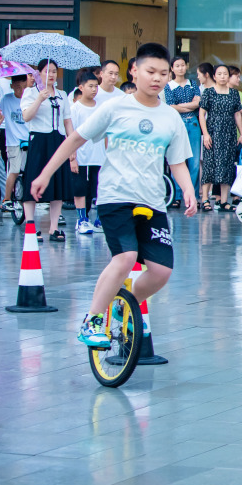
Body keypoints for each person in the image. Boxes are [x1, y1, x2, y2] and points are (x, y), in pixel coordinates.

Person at [30, 42, 195, 350]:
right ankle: (92, 320)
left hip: (152, 201)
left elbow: (177, 162)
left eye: (163, 73)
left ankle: (124, 304)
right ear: (134, 71)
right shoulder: (116, 107)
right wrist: (46, 173)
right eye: (150, 71)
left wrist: (187, 189)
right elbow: (75, 139)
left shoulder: (170, 118)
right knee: (127, 257)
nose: (157, 78)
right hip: (115, 197)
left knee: (161, 271)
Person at [22, 59, 74, 242]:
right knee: (32, 178)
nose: (51, 75)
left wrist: (72, 146)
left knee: (58, 182)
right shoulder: (30, 92)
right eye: (47, 71)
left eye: (54, 71)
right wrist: (39, 99)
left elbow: (67, 121)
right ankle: (30, 224)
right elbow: (27, 116)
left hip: (57, 140)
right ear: (39, 73)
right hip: (38, 140)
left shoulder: (62, 94)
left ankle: (53, 228)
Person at [199, 65, 242, 212]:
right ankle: (205, 199)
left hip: (229, 134)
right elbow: (202, 114)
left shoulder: (234, 94)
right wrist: (205, 133)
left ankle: (224, 201)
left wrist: (241, 133)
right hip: (212, 133)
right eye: (220, 74)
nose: (223, 76)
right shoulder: (208, 92)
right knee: (209, 165)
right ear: (214, 76)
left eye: (225, 74)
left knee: (227, 166)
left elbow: (237, 114)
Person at [69, 70, 104, 235]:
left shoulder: (101, 108)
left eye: (96, 86)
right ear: (81, 87)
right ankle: (82, 219)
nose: (94, 89)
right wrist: (72, 157)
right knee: (80, 187)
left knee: (99, 187)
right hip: (81, 156)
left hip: (99, 155)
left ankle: (99, 220)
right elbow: (71, 134)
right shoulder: (75, 108)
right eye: (90, 86)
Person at [165, 56, 202, 204]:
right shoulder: (168, 86)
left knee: (194, 162)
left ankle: (192, 195)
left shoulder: (193, 84)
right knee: (177, 159)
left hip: (193, 123)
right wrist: (189, 105)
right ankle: (177, 195)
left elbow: (198, 103)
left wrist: (181, 106)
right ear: (172, 69)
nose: (180, 68)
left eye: (182, 65)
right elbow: (171, 106)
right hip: (177, 123)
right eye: (177, 66)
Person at [0, 74, 29, 220]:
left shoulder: (29, 99)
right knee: (14, 170)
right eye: (17, 87)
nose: (21, 91)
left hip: (28, 140)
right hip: (13, 141)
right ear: (11, 86)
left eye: (23, 87)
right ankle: (7, 199)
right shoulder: (6, 100)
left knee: (30, 171)